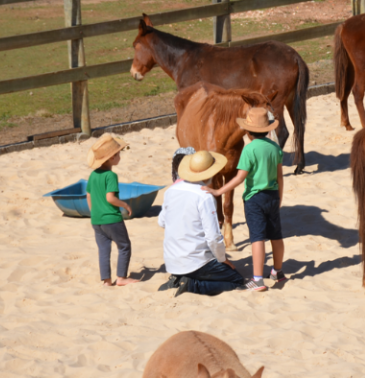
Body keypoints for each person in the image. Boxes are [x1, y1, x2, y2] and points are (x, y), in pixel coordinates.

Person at [203, 108, 286, 292]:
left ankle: (257, 279)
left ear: (248, 132)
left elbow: (239, 178)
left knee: (257, 238)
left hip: (254, 199)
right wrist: (279, 198)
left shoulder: (249, 150)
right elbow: (280, 177)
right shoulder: (275, 147)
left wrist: (218, 191)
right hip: (273, 196)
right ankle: (278, 272)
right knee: (276, 236)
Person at [158, 149, 246, 297]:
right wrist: (223, 259)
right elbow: (213, 238)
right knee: (237, 280)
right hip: (195, 261)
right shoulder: (204, 196)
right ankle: (193, 285)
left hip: (172, 260)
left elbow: (161, 222)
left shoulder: (171, 191)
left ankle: (180, 278)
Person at [86, 134, 139, 287]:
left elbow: (88, 195)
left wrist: (93, 212)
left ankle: (106, 281)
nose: (119, 156)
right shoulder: (111, 175)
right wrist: (125, 205)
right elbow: (110, 198)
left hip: (96, 220)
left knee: (103, 249)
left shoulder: (93, 174)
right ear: (110, 158)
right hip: (112, 219)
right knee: (124, 246)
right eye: (117, 154)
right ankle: (121, 278)